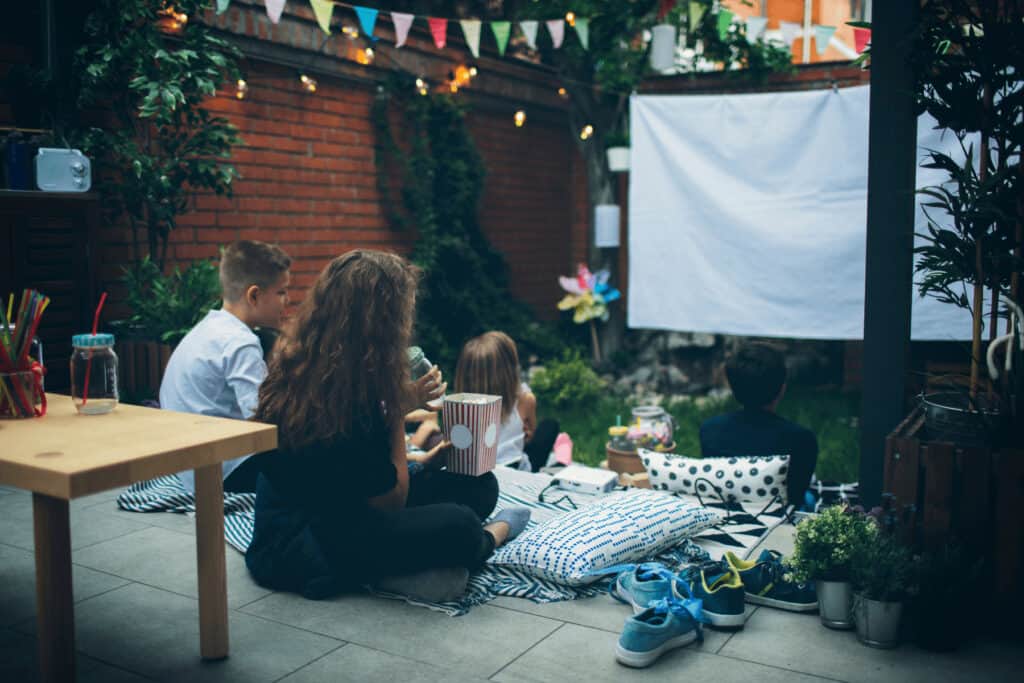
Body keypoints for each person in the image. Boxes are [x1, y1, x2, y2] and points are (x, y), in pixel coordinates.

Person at [245, 250, 530, 600]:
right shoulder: (344, 391)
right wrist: (397, 406)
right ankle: (491, 537)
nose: (407, 326)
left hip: (344, 506)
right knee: (461, 526)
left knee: (480, 486)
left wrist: (422, 461)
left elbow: (353, 477)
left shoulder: (319, 359)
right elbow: (391, 500)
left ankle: (409, 566)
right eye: (402, 315)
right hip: (308, 541)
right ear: (380, 322)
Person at [159, 240, 292, 494]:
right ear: (254, 295)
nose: (287, 300)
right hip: (221, 474)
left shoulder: (210, 327)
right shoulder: (241, 342)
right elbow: (263, 420)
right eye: (282, 292)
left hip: (186, 466)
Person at [699, 343, 818, 506]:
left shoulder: (709, 430)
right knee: (810, 498)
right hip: (781, 519)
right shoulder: (801, 439)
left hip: (727, 509)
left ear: (733, 388)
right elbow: (796, 497)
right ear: (782, 388)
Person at [455, 331, 559, 472]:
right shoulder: (525, 399)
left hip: (474, 468)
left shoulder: (460, 406)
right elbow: (530, 438)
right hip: (513, 468)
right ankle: (562, 454)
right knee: (549, 426)